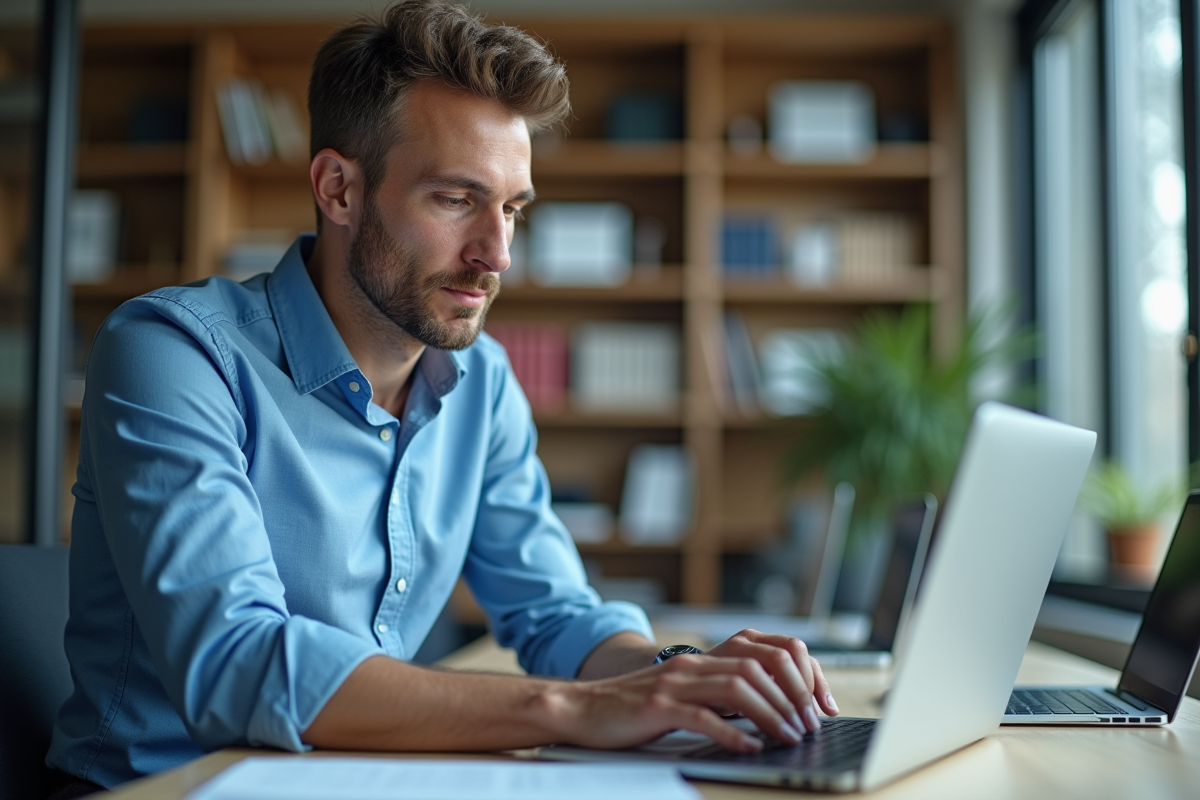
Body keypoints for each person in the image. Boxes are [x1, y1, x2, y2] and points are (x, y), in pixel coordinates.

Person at [45, 1, 838, 793]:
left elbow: (554, 613)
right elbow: (235, 664)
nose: (496, 254)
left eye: (513, 209)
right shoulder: (172, 354)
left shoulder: (482, 383)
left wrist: (676, 679)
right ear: (339, 189)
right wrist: (570, 709)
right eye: (457, 200)